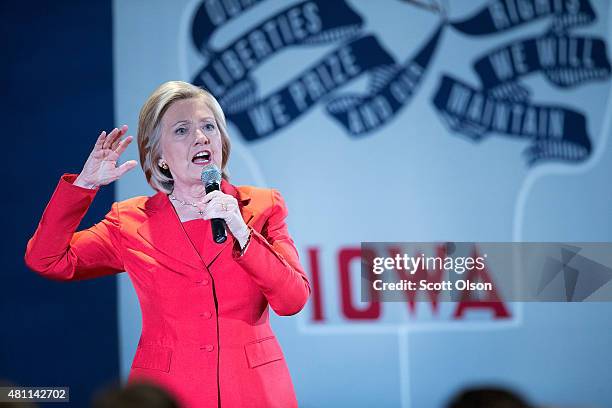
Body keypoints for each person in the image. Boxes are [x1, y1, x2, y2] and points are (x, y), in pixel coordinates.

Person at [24, 81, 311, 408]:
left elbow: (293, 300)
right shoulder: (129, 221)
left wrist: (242, 234)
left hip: (253, 392)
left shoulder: (260, 207)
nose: (200, 137)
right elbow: (46, 260)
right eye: (182, 130)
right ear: (159, 156)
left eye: (208, 127)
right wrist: (85, 184)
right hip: (165, 394)